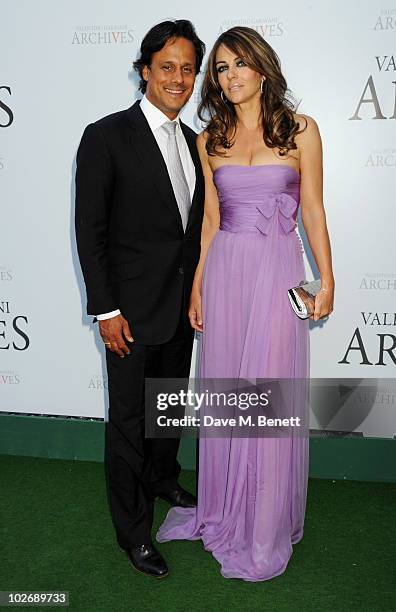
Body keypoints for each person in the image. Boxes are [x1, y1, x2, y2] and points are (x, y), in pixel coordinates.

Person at [157, 26, 334, 581]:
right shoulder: (210, 137)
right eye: (221, 68)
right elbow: (209, 222)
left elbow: (313, 212)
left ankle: (263, 524)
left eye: (239, 65)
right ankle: (226, 509)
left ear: (262, 68)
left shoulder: (302, 131)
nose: (229, 77)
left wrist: (326, 279)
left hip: (278, 269)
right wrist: (197, 284)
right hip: (228, 273)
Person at [75, 20, 205, 578]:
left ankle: (162, 478)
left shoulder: (199, 142)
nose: (179, 79)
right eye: (167, 66)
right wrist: (106, 310)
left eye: (188, 69)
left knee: (168, 408)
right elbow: (91, 231)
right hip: (127, 313)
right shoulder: (105, 135)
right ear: (144, 70)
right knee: (129, 422)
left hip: (181, 308)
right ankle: (134, 532)